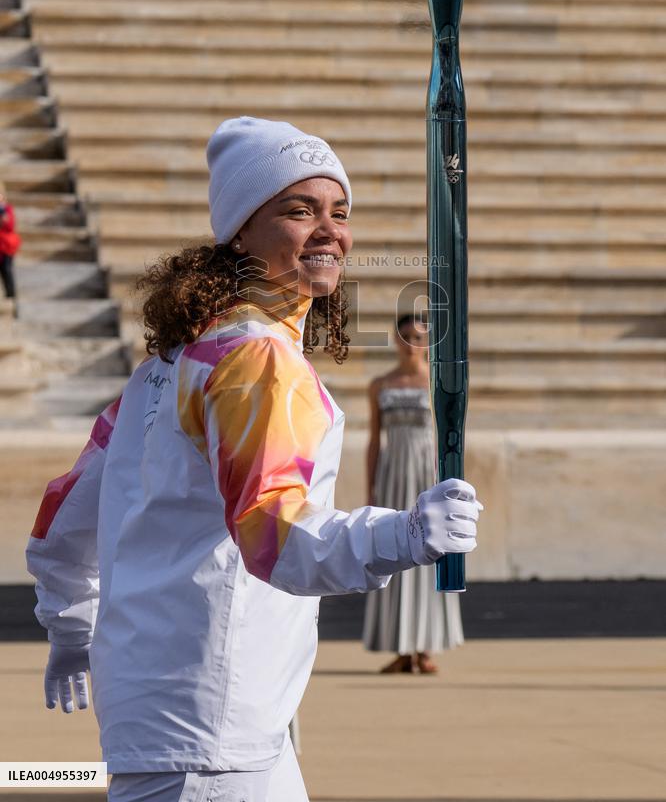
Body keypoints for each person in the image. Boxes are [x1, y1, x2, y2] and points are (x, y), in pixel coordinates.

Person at [25, 116, 484, 802]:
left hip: (171, 719)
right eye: (299, 210)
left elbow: (64, 515)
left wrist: (70, 623)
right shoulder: (256, 359)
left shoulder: (168, 365)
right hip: (215, 726)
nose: (330, 229)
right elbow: (275, 536)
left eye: (340, 211)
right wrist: (407, 533)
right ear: (241, 229)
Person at [363, 315, 464, 674]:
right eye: (405, 336)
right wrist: (371, 485)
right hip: (393, 475)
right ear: (395, 339)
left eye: (419, 337)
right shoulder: (379, 384)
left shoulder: (437, 381)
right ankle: (403, 647)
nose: (411, 343)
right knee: (395, 550)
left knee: (430, 550)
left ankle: (426, 645)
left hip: (426, 474)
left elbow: (448, 436)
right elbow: (375, 439)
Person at [0, 180, 20, 299]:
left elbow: (10, 225)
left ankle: (11, 294)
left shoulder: (7, 209)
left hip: (6, 246)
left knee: (6, 270)